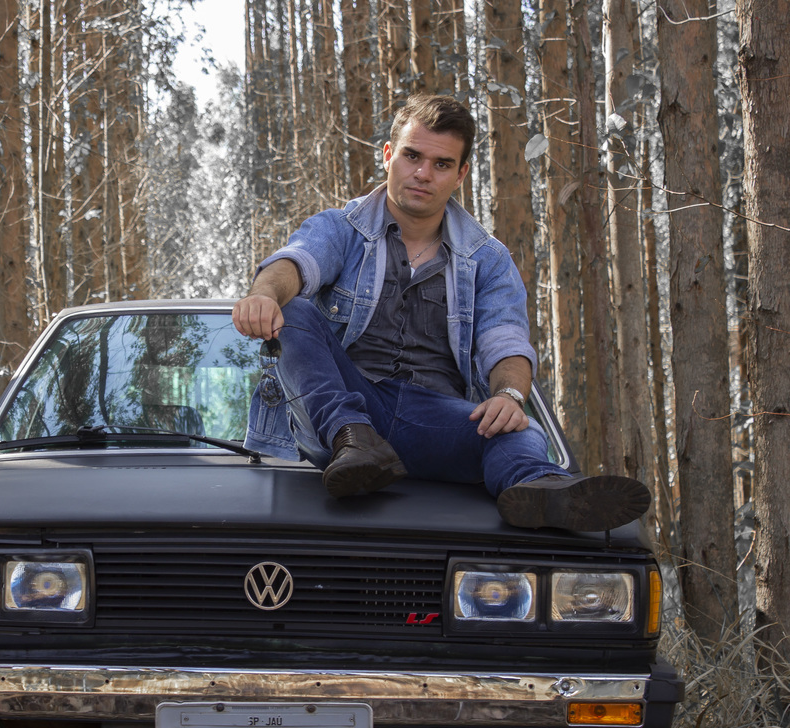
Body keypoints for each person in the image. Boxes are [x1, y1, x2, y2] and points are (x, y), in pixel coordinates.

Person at [232, 93, 649, 531]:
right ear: (389, 155)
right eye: (412, 156)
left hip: (433, 420)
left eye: (442, 164)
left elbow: (505, 341)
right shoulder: (341, 229)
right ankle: (355, 440)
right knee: (293, 309)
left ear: (461, 174)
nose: (423, 173)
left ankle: (540, 489)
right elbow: (297, 262)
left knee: (520, 429)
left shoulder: (488, 259)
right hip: (343, 417)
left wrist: (508, 397)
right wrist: (264, 294)